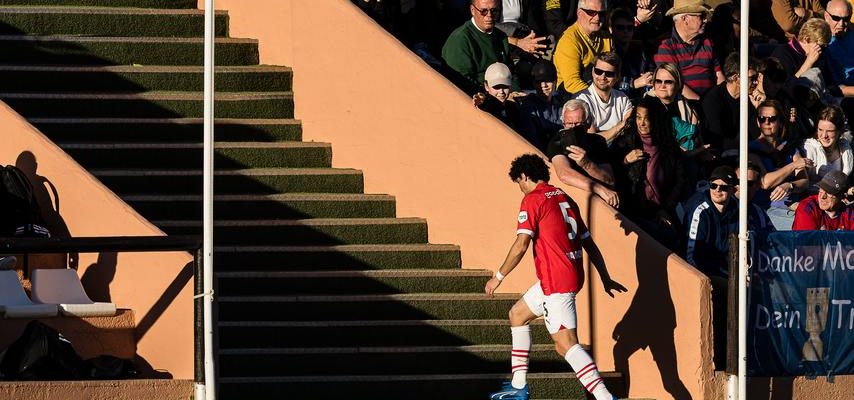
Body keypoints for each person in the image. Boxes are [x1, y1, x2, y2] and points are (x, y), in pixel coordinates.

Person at [485, 153, 626, 400]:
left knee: (565, 344)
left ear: (525, 177)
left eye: (519, 182)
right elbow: (589, 243)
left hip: (556, 281)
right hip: (570, 274)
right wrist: (605, 277)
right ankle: (519, 387)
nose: (520, 189)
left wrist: (499, 276)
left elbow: (521, 244)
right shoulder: (564, 197)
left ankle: (605, 397)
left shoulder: (533, 200)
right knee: (517, 314)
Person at [609, 96, 685, 249]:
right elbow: (610, 176)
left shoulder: (668, 147)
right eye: (638, 117)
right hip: (633, 211)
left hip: (661, 209)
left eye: (647, 118)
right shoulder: (625, 143)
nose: (641, 123)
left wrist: (666, 209)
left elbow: (679, 181)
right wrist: (625, 161)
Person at [547, 99, 620, 207]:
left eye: (577, 124)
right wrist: (599, 188)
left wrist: (587, 164)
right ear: (563, 123)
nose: (572, 128)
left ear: (587, 123)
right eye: (569, 124)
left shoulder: (597, 142)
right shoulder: (557, 142)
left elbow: (609, 180)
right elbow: (564, 174)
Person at [654, 0, 724, 101]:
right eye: (701, 16)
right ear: (685, 18)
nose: (705, 20)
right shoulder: (665, 44)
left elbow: (719, 75)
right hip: (682, 103)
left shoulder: (707, 41)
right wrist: (701, 103)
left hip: (711, 101)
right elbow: (674, 83)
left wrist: (721, 99)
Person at [701, 53, 762, 162]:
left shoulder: (751, 98)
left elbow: (755, 134)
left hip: (746, 151)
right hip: (721, 155)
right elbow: (717, 138)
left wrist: (758, 109)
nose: (756, 82)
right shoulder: (713, 99)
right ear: (736, 78)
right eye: (752, 78)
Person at [553, 0, 612, 94]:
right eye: (591, 13)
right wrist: (598, 99)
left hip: (602, 92)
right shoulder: (569, 40)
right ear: (579, 13)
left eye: (602, 13)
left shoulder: (606, 37)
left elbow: (613, 71)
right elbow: (572, 83)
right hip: (574, 99)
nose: (597, 18)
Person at [573, 52, 634, 144]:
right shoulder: (581, 100)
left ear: (617, 76)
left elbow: (629, 131)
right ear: (593, 72)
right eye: (598, 71)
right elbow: (593, 141)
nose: (602, 77)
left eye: (609, 74)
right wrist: (621, 126)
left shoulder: (622, 98)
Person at [796, 105, 854, 194]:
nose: (824, 135)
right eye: (820, 130)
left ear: (839, 131)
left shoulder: (845, 148)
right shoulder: (808, 150)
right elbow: (803, 185)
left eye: (830, 131)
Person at [519, 61, 564, 151]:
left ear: (555, 81)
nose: (543, 85)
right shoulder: (529, 106)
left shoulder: (561, 103)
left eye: (548, 80)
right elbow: (532, 140)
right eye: (538, 82)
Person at [474, 62, 526, 127]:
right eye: (496, 87)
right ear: (486, 86)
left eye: (505, 86)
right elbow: (484, 105)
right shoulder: (486, 105)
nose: (501, 91)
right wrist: (481, 103)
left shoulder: (512, 107)